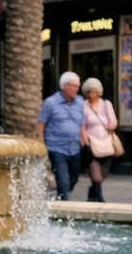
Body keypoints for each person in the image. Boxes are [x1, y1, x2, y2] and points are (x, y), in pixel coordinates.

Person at [37, 71, 87, 201]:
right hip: (57, 148)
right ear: (64, 86)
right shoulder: (51, 102)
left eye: (77, 86)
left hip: (75, 148)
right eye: (73, 85)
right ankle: (64, 204)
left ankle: (60, 193)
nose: (76, 89)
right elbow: (41, 124)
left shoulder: (80, 102)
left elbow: (82, 124)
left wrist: (85, 142)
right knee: (63, 179)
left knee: (74, 178)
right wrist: (42, 145)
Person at [81, 78, 118, 202]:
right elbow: (81, 125)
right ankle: (100, 199)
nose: (92, 95)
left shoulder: (106, 104)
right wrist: (85, 141)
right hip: (92, 143)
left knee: (103, 174)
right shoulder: (83, 105)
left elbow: (113, 120)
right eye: (89, 92)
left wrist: (110, 125)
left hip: (106, 143)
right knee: (95, 173)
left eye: (94, 92)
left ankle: (92, 192)